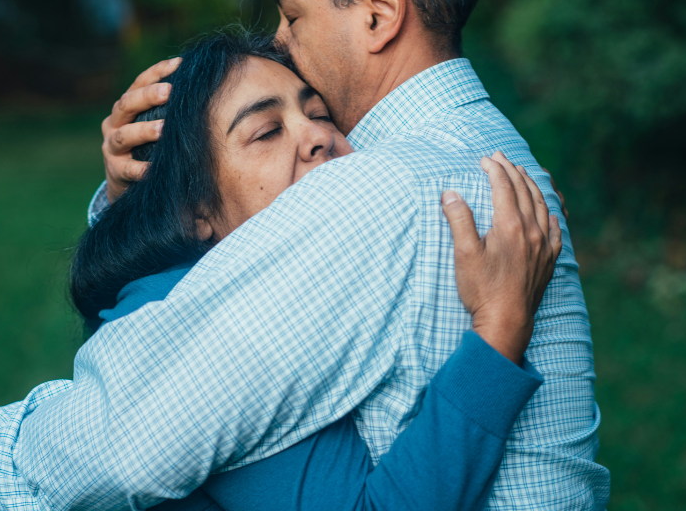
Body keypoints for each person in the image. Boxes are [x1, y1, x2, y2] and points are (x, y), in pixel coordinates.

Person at [0, 0, 608, 510]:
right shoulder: (484, 149)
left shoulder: (378, 189)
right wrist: (141, 192)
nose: (280, 40)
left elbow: (114, 449)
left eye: (293, 13)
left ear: (379, 12)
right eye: (266, 129)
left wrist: (15, 437)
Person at [61, 31, 558, 510]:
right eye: (267, 132)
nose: (319, 134)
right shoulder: (220, 337)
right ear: (195, 212)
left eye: (319, 113)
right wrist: (499, 328)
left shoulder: (268, 286)